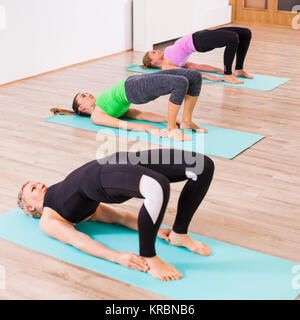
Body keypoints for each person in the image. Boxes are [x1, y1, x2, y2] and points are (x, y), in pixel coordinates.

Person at [17, 148, 215, 281]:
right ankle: (150, 257)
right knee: (156, 186)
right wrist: (116, 257)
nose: (40, 185)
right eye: (33, 188)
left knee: (203, 166)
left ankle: (179, 233)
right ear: (31, 207)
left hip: (114, 160)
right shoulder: (49, 219)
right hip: (97, 178)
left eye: (37, 182)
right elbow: (77, 240)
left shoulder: (73, 200)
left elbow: (119, 218)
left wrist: (158, 230)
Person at [51, 68, 206, 141]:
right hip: (134, 89)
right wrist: (148, 128)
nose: (88, 94)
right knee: (180, 83)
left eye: (85, 92)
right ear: (81, 108)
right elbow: (122, 125)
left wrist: (165, 118)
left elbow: (140, 115)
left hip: (133, 81)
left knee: (194, 76)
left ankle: (186, 121)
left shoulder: (108, 106)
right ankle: (171, 129)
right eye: (83, 96)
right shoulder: (97, 115)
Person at [142, 27, 253, 84]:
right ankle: (228, 75)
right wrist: (207, 76)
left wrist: (219, 70)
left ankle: (238, 69)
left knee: (245, 33)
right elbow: (189, 73)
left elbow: (198, 66)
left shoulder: (168, 56)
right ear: (153, 62)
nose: (156, 50)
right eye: (153, 53)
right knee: (232, 38)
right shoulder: (166, 66)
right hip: (199, 42)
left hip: (200, 35)